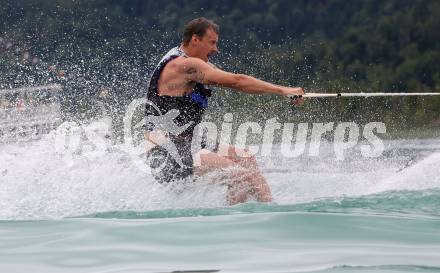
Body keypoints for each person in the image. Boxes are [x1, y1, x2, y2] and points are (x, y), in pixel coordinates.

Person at [145, 17, 304, 205]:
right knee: (239, 177)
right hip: (166, 153)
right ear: (195, 39)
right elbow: (238, 81)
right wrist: (282, 90)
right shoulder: (183, 65)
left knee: (246, 158)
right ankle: (236, 225)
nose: (215, 49)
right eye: (212, 43)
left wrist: (282, 92)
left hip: (189, 145)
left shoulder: (192, 63)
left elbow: (237, 84)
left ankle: (270, 208)